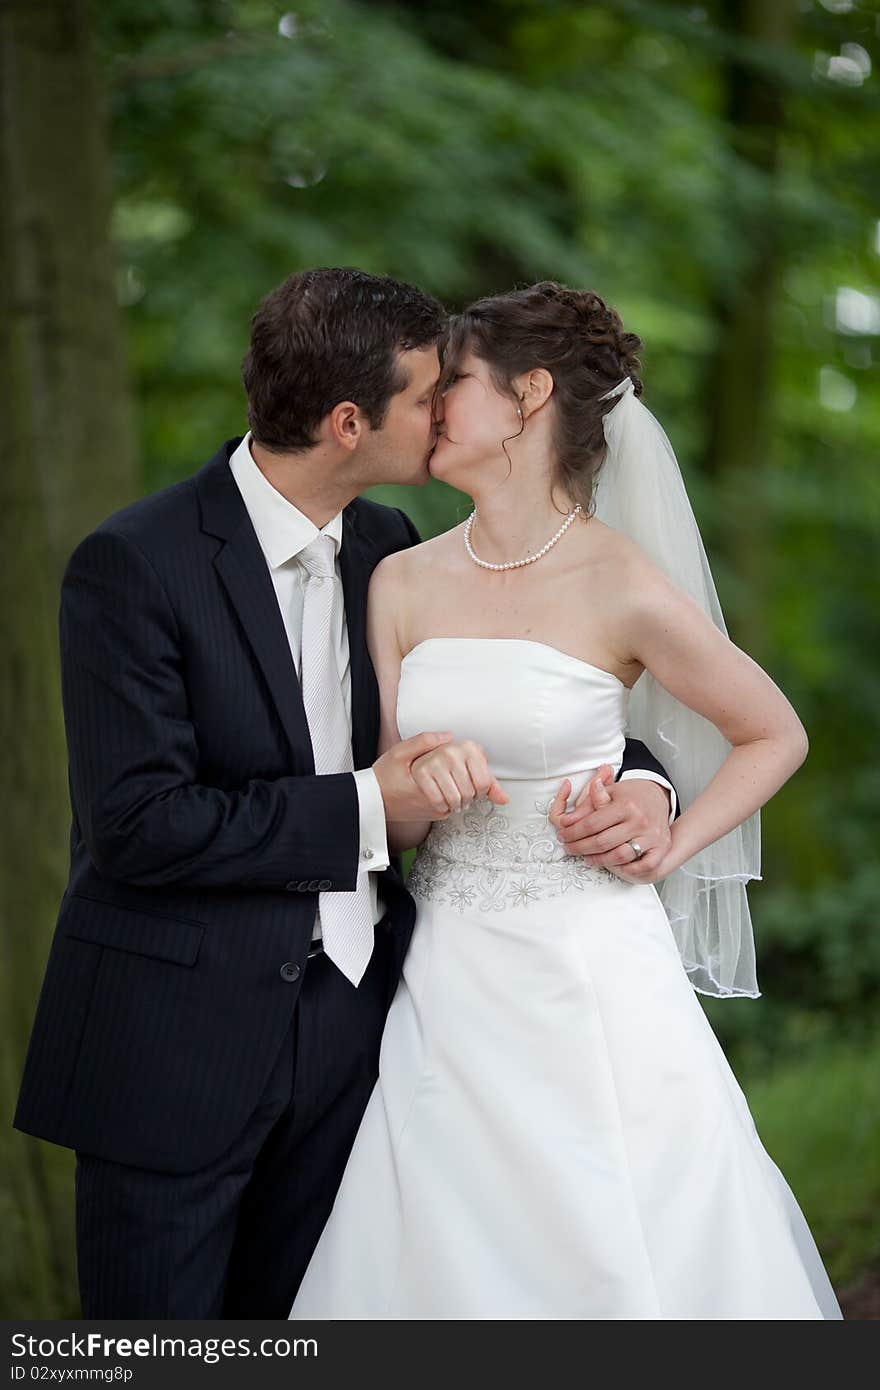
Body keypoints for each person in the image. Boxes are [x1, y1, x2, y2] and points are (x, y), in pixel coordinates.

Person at [12, 269, 675, 1319]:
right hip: (173, 1049)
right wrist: (370, 804)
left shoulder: (388, 550)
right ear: (348, 420)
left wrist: (646, 788)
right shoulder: (132, 565)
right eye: (427, 392)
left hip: (361, 1041)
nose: (448, 407)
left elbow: (545, 702)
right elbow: (137, 825)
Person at [289, 280, 843, 1320]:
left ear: (529, 393)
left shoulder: (619, 580)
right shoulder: (399, 579)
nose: (433, 404)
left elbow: (773, 732)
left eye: (453, 380)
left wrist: (666, 837)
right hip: (448, 971)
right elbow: (393, 813)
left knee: (617, 1240)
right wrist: (411, 788)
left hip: (590, 968)